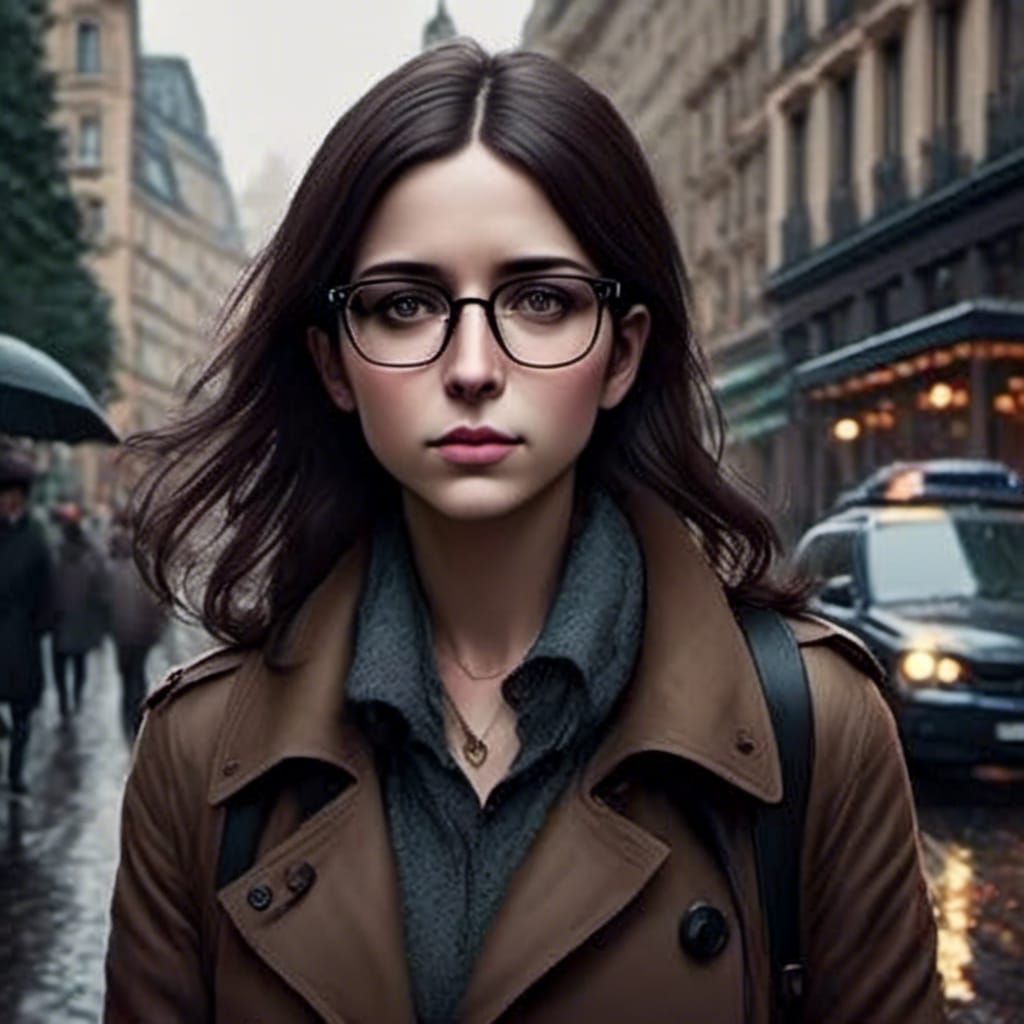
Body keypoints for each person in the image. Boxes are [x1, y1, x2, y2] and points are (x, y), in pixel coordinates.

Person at [104, 41, 945, 1023]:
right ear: (334, 362)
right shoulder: (200, 758)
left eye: (540, 300)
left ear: (622, 353)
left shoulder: (814, 729)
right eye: (406, 303)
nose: (471, 365)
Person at [0, 451, 53, 796]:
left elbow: (46, 592)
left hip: (21, 639)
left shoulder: (35, 538)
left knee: (22, 714)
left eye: (10, 494)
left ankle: (15, 774)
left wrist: (38, 626)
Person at [107, 524, 166, 740]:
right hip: (142, 634)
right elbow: (158, 604)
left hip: (122, 635)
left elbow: (105, 603)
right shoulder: (146, 570)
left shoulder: (112, 569)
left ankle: (127, 712)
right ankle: (137, 713)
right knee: (138, 674)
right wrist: (156, 629)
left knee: (126, 675)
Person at [51, 505, 108, 718]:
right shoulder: (90, 554)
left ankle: (65, 701)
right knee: (78, 663)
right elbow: (100, 588)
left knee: (61, 664)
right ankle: (74, 698)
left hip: (60, 619)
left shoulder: (56, 552)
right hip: (80, 619)